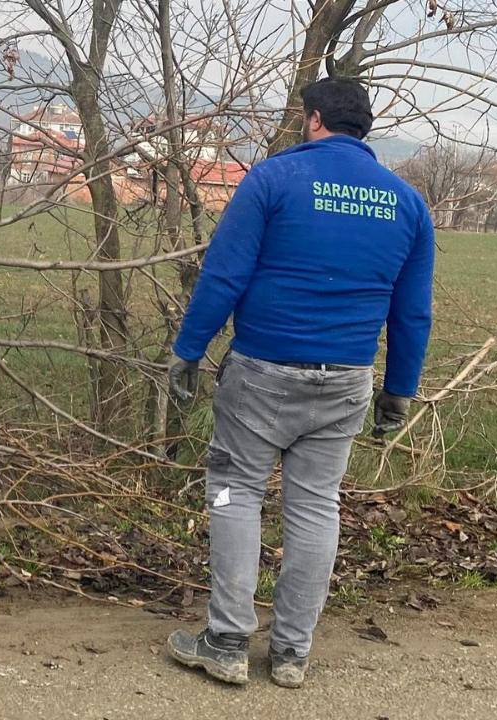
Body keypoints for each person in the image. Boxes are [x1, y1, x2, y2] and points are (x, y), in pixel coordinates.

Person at [165, 79, 434, 688]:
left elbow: (224, 274)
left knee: (235, 491)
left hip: (262, 373)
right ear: (362, 130)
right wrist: (401, 387)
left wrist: (188, 349)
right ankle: (291, 654)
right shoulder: (407, 203)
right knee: (315, 506)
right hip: (344, 382)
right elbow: (413, 310)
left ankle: (228, 640)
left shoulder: (273, 179)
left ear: (313, 119)